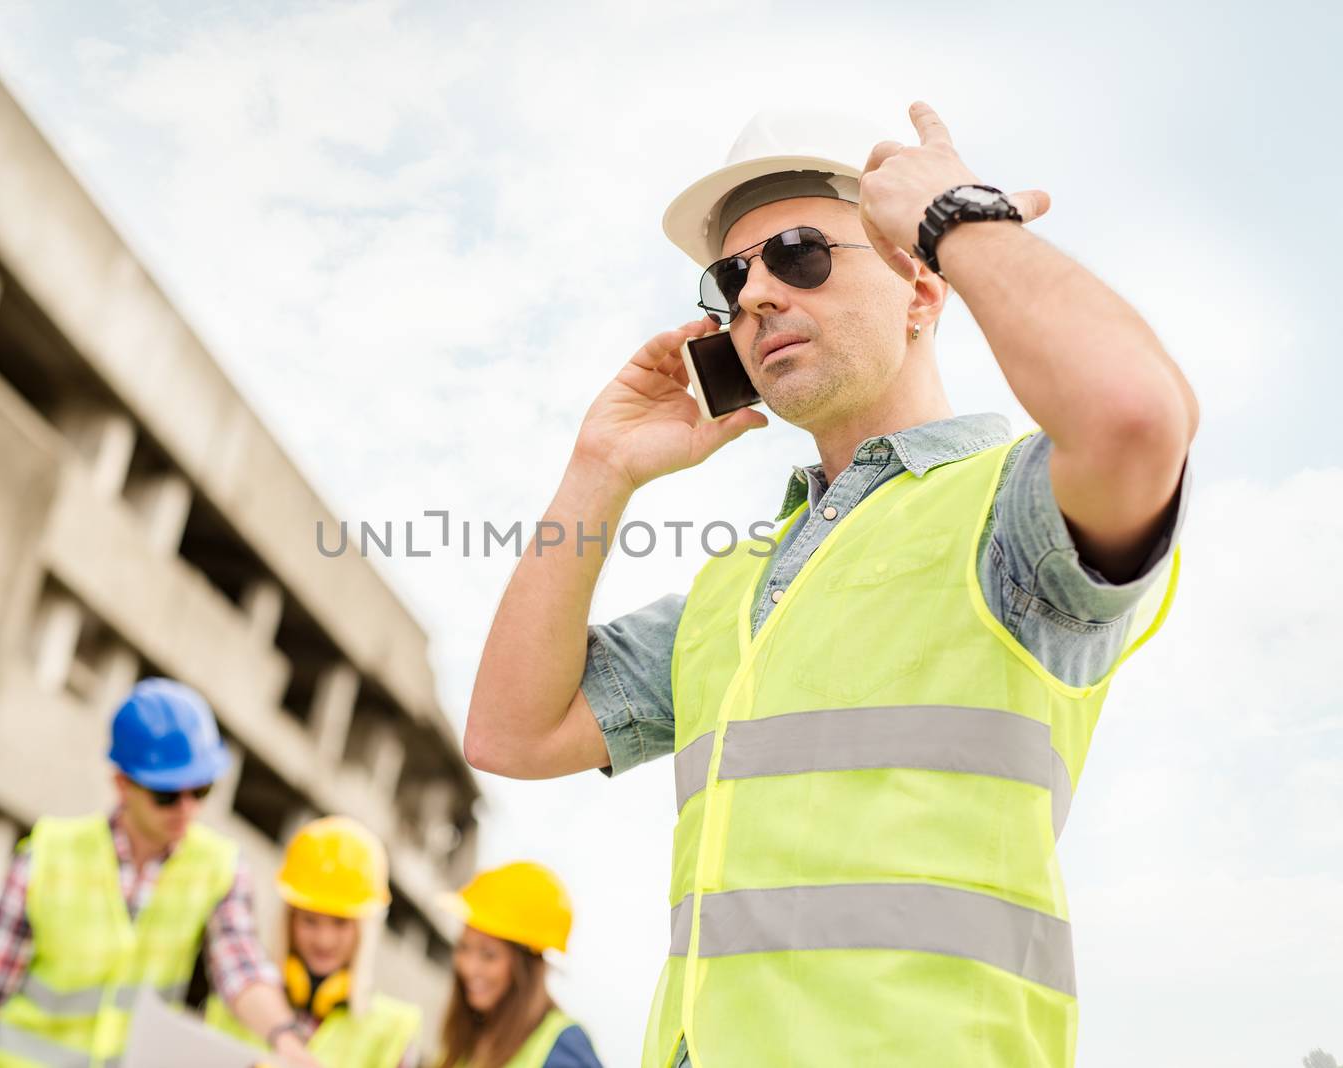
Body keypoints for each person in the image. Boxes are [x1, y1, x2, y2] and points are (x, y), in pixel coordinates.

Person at [463, 102, 1196, 1068]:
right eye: (733, 276)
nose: (756, 293)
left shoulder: (1007, 514)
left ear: (922, 294)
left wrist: (957, 216)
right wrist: (598, 471)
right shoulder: (737, 586)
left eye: (802, 254)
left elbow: (1137, 417)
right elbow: (508, 734)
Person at [0, 677, 316, 1068]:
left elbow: (241, 968)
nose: (187, 810)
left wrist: (283, 1036)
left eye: (200, 790)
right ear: (122, 783)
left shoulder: (221, 869)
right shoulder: (47, 855)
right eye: (166, 795)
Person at [205, 816, 421, 1068]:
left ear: (365, 928)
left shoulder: (392, 1031)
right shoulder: (237, 997)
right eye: (309, 920)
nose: (324, 940)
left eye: (340, 922)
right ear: (289, 919)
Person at [435, 862, 601, 1068]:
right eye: (464, 947)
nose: (469, 967)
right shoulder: (471, 1034)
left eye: (489, 955)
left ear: (526, 967)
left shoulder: (563, 1047)